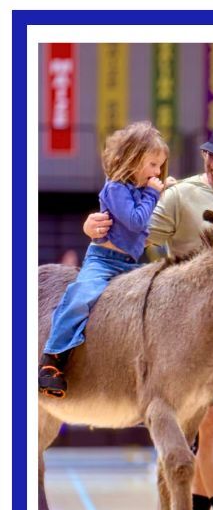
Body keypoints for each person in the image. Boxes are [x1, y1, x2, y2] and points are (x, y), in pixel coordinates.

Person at [83, 119, 213, 510]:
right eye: (211, 154)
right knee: (211, 427)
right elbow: (132, 235)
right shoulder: (179, 195)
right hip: (191, 341)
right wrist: (94, 229)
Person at [40, 121, 171, 398]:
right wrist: (153, 193)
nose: (157, 172)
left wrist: (160, 191)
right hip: (104, 261)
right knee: (80, 297)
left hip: (130, 264)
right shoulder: (115, 189)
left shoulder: (142, 190)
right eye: (152, 165)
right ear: (133, 159)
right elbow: (136, 221)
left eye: (160, 166)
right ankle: (52, 360)